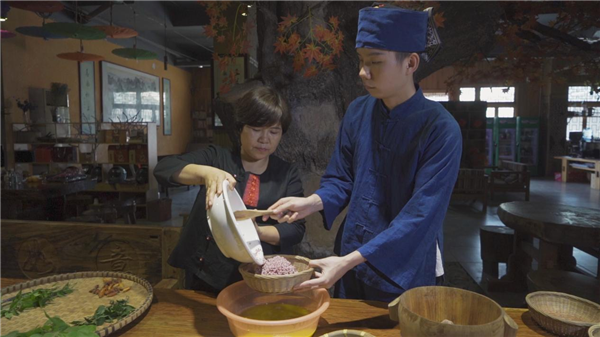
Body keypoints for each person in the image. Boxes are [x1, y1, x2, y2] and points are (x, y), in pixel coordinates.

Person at [266, 5, 462, 302]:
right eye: (360, 60)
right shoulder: (359, 111)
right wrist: (312, 202)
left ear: (410, 63)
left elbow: (420, 217)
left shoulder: (441, 129)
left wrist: (348, 261)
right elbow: (341, 177)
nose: (362, 72)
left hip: (403, 263)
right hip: (351, 249)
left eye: (375, 62)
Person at [155, 85, 306, 293]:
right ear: (240, 128)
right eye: (256, 129)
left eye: (274, 131)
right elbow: (164, 169)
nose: (265, 139)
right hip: (207, 273)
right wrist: (206, 174)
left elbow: (295, 229)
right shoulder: (217, 158)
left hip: (259, 275)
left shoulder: (287, 174)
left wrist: (256, 232)